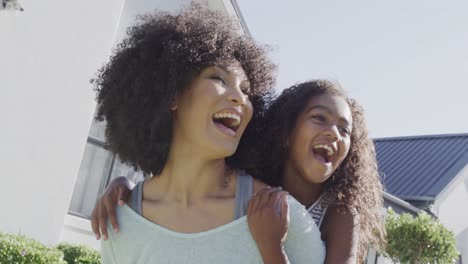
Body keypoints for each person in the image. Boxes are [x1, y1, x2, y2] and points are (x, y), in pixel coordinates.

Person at [91, 4, 325, 264]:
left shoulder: (280, 215)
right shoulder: (119, 220)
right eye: (218, 79)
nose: (240, 98)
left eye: (246, 91)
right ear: (172, 94)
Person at [247, 80, 385, 263]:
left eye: (344, 130)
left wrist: (272, 246)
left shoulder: (340, 217)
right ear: (287, 131)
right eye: (319, 118)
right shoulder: (247, 190)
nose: (334, 133)